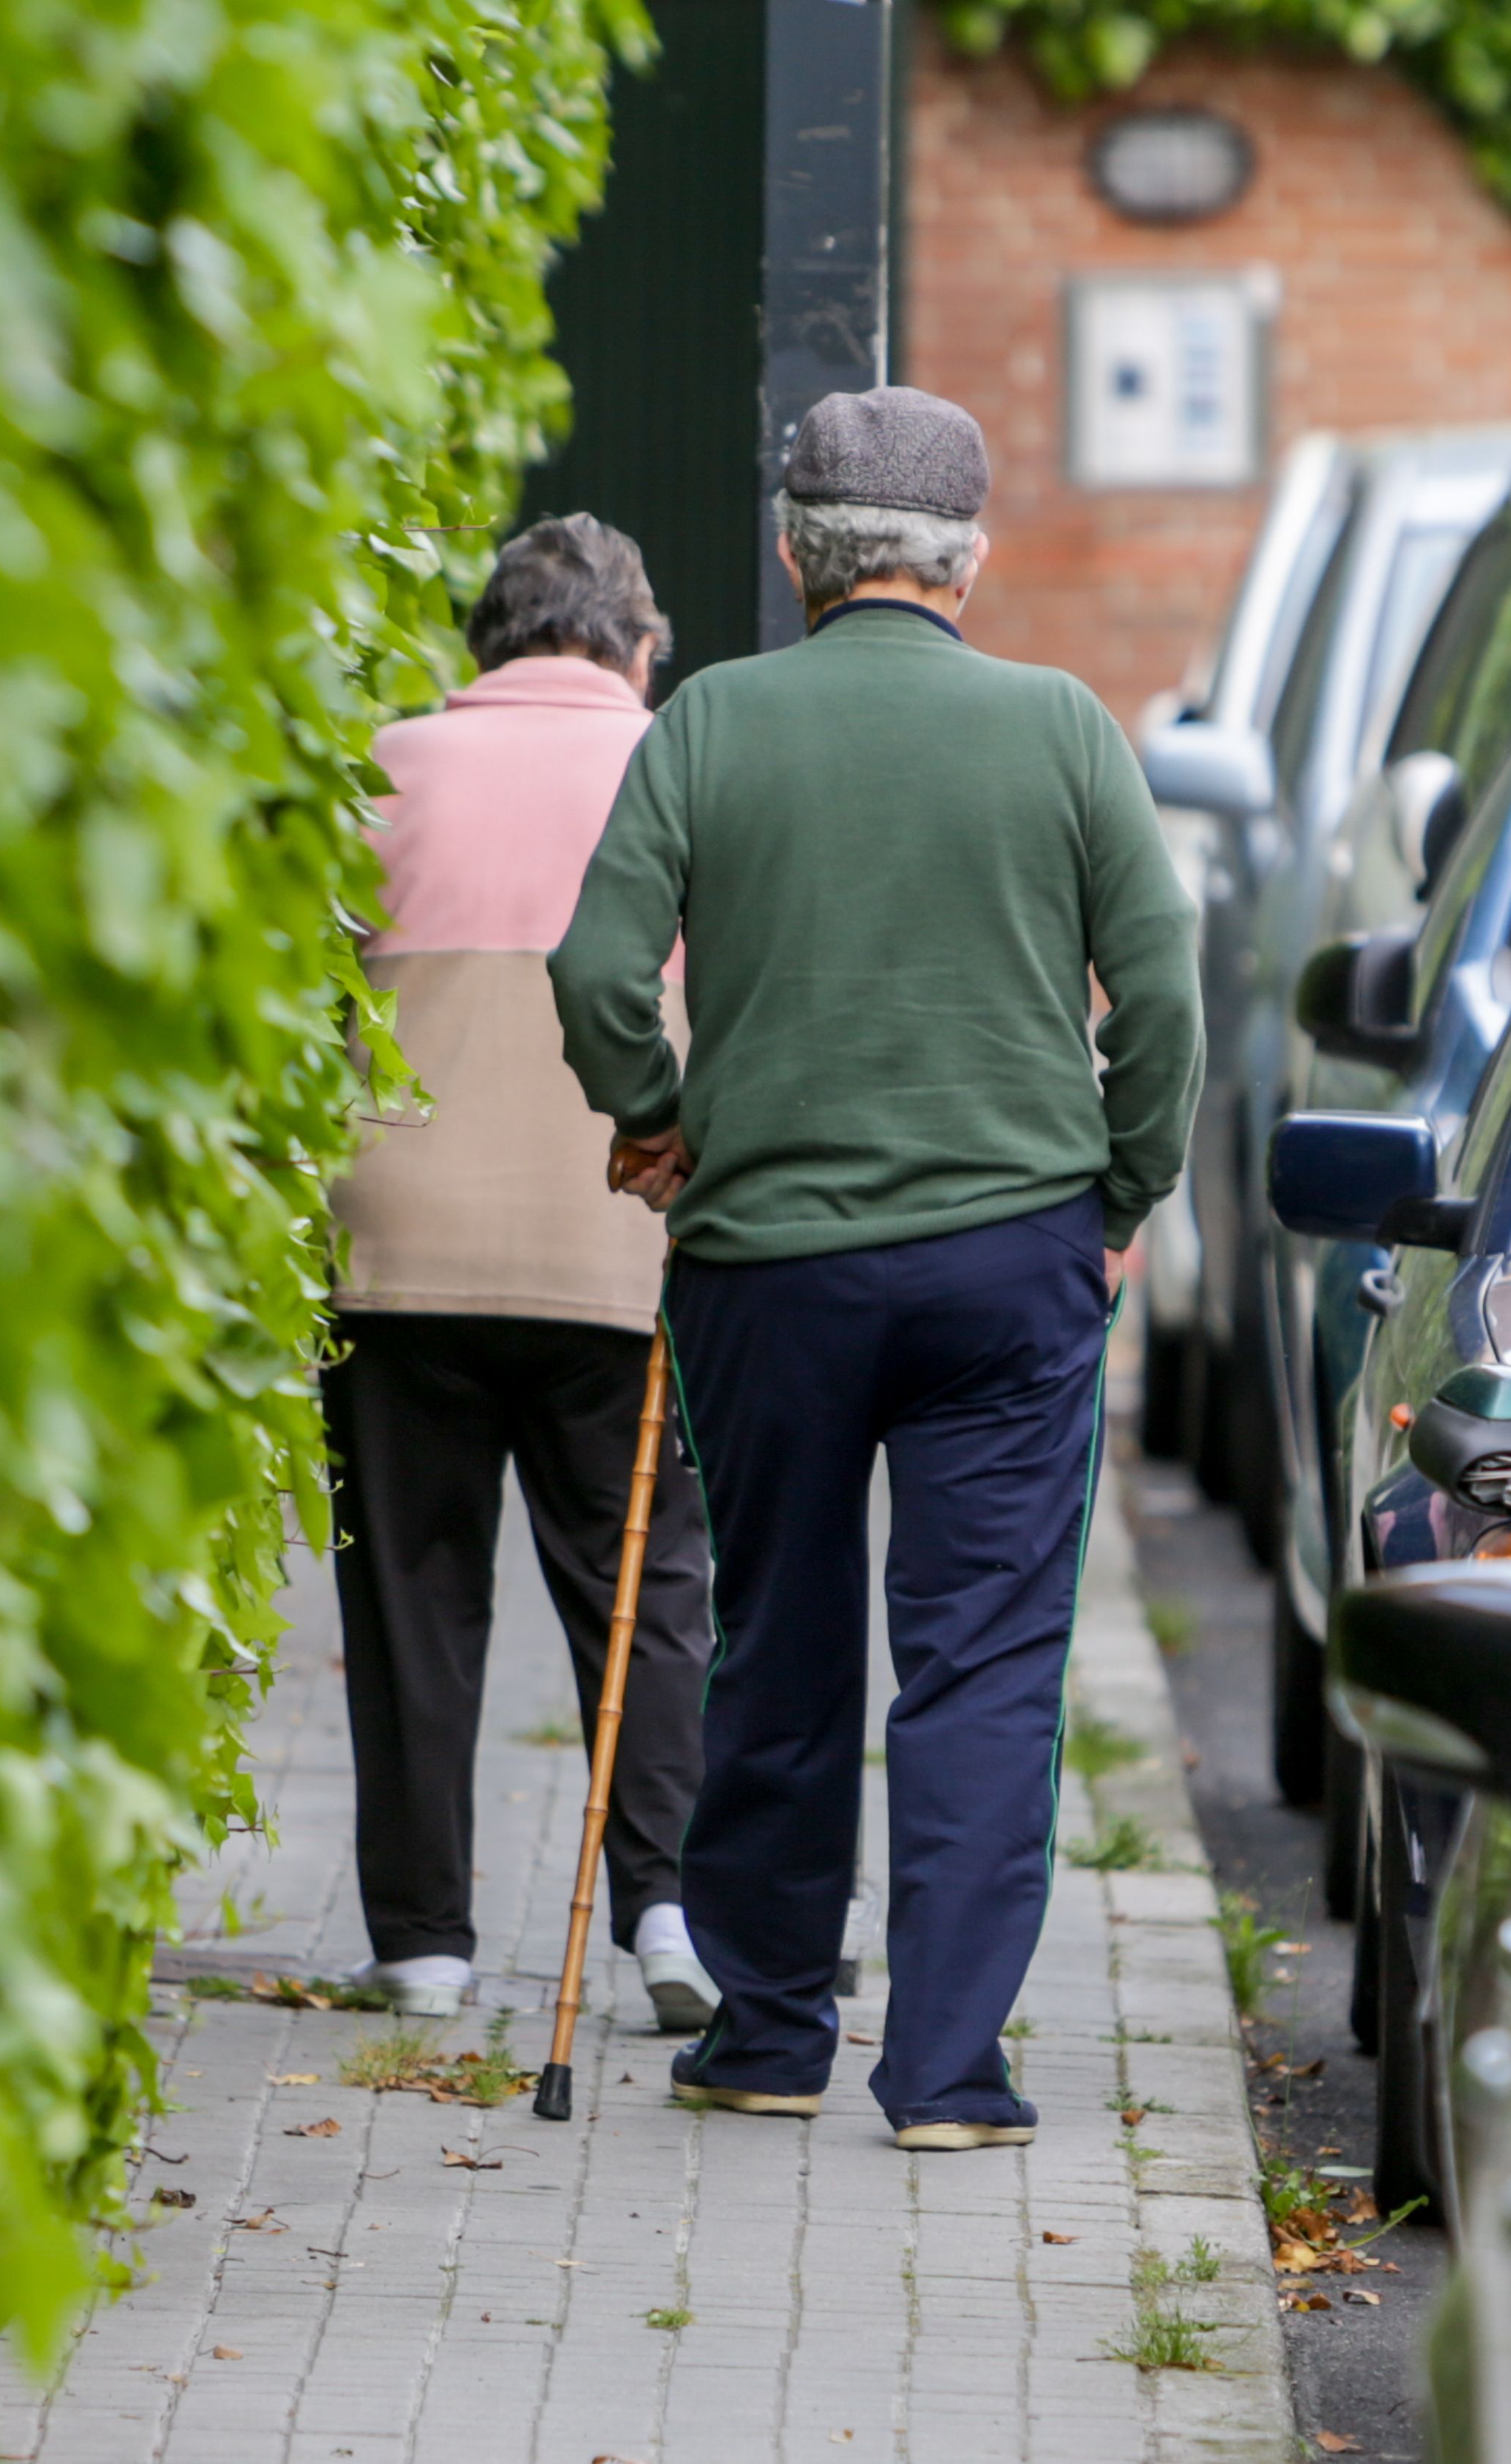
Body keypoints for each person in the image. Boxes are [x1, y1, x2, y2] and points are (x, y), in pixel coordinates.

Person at [546, 388, 1199, 2149]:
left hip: (771, 1264)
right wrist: (1123, 1186)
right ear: (969, 562)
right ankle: (947, 2075)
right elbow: (1165, 993)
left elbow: (598, 965)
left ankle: (764, 2034)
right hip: (1012, 1263)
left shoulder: (708, 723)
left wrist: (656, 1112)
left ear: (791, 551)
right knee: (984, 1659)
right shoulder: (1062, 729)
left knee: (780, 1637)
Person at [327, 514, 714, 2028]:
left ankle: (421, 1941)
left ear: (485, 645)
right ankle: (669, 1913)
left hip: (399, 1244)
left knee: (410, 1591)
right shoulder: (675, 768)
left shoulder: (384, 761)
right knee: (646, 1586)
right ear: (630, 646)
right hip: (616, 1242)